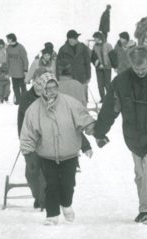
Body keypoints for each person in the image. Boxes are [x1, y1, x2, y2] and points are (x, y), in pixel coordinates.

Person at [94, 47, 147, 223]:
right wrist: (100, 132)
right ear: (131, 65)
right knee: (141, 173)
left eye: (143, 68)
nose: (140, 72)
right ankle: (145, 206)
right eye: (137, 69)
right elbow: (110, 108)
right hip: (134, 136)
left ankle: (146, 210)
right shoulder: (121, 82)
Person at [20, 72, 96, 225]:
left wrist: (96, 132)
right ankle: (52, 214)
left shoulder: (70, 103)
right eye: (48, 88)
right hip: (46, 155)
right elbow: (28, 133)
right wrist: (28, 154)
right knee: (51, 185)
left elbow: (83, 120)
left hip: (69, 154)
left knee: (69, 184)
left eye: (54, 87)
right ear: (42, 89)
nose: (52, 91)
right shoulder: (34, 110)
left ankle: (66, 205)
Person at [17, 68, 50, 209]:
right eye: (36, 81)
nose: (38, 85)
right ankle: (37, 196)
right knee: (31, 173)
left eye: (42, 82)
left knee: (45, 174)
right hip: (30, 142)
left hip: (48, 142)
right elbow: (21, 121)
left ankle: (44, 201)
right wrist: (23, 141)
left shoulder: (50, 96)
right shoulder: (26, 98)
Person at [57, 60, 94, 165]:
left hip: (60, 118)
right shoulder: (78, 85)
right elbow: (83, 102)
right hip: (76, 116)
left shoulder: (56, 85)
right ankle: (74, 159)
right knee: (76, 135)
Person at [56, 29, 92, 98]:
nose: (73, 40)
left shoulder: (83, 48)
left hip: (81, 77)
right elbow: (58, 66)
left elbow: (87, 63)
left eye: (74, 39)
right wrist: (58, 78)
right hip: (68, 79)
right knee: (70, 98)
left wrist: (88, 76)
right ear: (68, 39)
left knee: (82, 97)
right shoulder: (63, 49)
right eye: (71, 39)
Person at [6, 33, 29, 105]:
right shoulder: (8, 48)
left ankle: (24, 100)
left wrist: (25, 70)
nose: (7, 40)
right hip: (13, 72)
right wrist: (8, 71)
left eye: (8, 39)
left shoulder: (20, 47)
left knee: (23, 87)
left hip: (21, 72)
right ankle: (18, 100)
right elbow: (7, 60)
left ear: (12, 39)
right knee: (15, 87)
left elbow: (25, 59)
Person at [91, 31, 113, 102]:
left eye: (95, 38)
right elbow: (93, 57)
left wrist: (112, 64)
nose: (94, 40)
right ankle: (103, 98)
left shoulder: (108, 45)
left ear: (99, 38)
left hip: (107, 67)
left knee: (107, 84)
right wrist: (96, 63)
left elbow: (112, 56)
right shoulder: (95, 46)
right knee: (100, 84)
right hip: (99, 68)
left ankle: (109, 98)